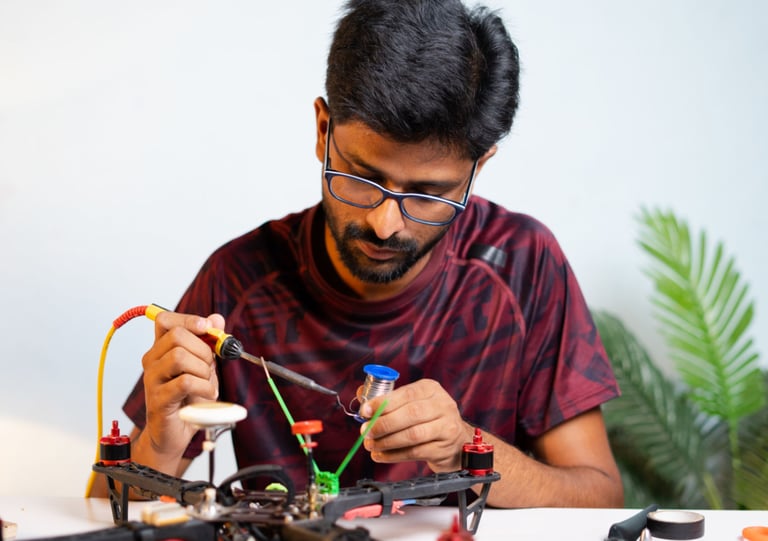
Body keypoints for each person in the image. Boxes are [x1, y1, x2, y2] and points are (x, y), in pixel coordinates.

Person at [92, 0, 624, 508]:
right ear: (323, 130)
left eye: (427, 193)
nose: (384, 223)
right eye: (364, 178)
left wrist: (465, 446)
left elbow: (599, 497)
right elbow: (97, 511)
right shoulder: (239, 281)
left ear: (477, 169)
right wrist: (162, 440)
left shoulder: (522, 263)